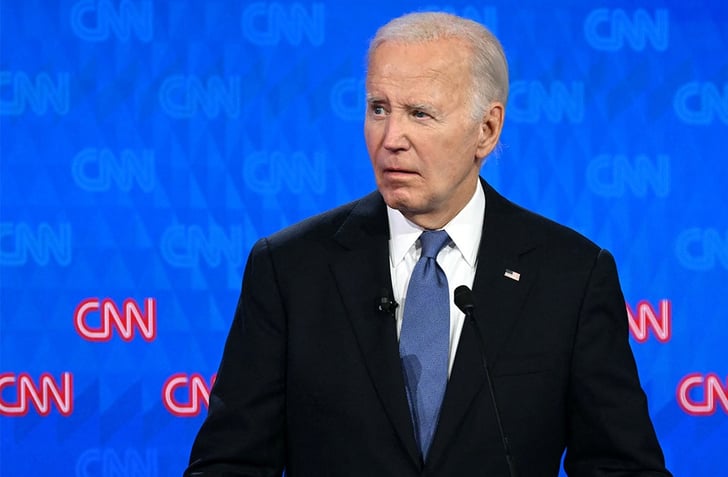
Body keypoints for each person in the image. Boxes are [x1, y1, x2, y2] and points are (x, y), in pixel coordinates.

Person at [185, 11, 671, 477]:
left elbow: (621, 466)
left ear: (487, 129)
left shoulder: (571, 277)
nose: (392, 137)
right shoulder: (291, 269)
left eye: (420, 113)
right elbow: (232, 463)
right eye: (379, 109)